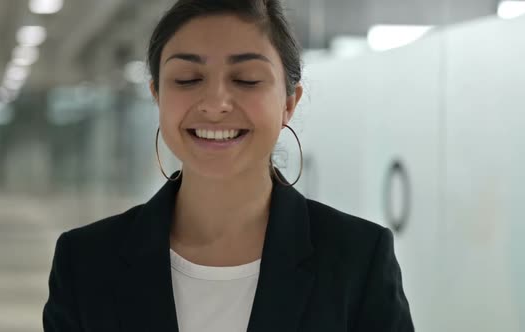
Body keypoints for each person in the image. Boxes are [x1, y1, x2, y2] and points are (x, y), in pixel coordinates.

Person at [42, 0, 414, 331]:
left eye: (246, 80)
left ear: (289, 102)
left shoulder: (356, 260)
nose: (216, 103)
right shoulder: (86, 263)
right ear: (157, 95)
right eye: (188, 80)